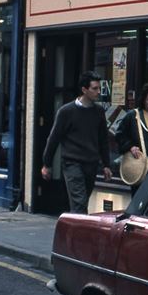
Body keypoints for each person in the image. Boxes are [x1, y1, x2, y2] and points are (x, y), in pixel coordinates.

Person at [41, 71, 112, 214]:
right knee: (79, 203)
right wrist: (46, 164)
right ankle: (80, 235)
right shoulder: (66, 112)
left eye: (99, 88)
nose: (98, 92)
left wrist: (106, 165)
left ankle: (73, 232)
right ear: (84, 90)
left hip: (91, 163)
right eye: (95, 88)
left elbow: (103, 139)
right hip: (72, 163)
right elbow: (54, 138)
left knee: (82, 201)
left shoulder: (98, 111)